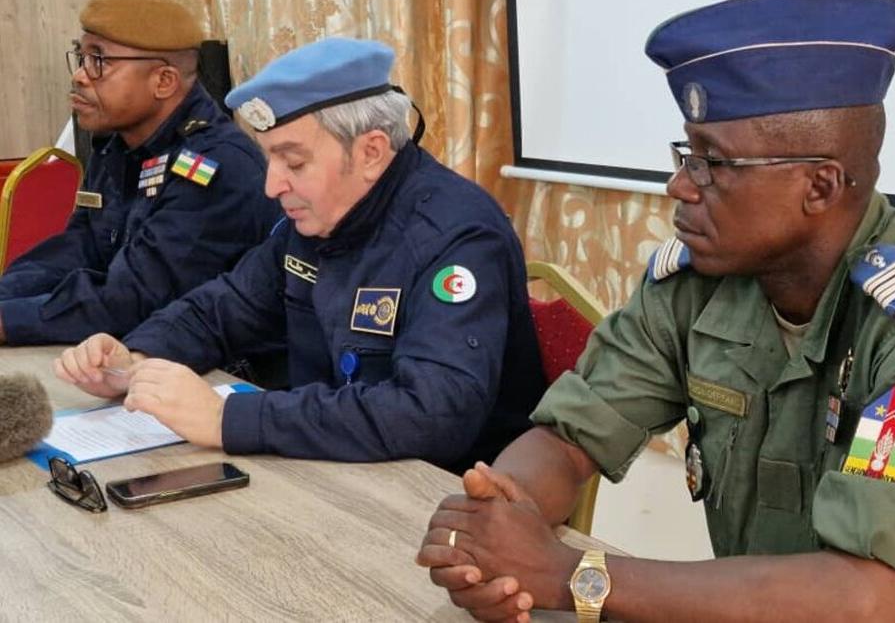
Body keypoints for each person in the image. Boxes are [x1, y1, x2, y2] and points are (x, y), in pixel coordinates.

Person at [416, 0, 895, 621]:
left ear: (820, 186)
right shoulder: (697, 282)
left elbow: (860, 596)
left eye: (714, 162)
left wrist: (572, 576)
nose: (680, 185)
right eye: (688, 155)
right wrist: (502, 522)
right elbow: (570, 436)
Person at [54, 37, 546, 474]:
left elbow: (432, 415)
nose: (272, 185)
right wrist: (136, 360)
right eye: (269, 157)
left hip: (439, 497)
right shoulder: (317, 217)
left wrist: (227, 419)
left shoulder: (458, 236)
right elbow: (223, 308)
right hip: (330, 469)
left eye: (293, 161)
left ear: (371, 152)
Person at [0, 0, 278, 346]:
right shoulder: (117, 146)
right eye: (81, 56)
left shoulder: (215, 167)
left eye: (99, 61)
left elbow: (133, 298)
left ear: (163, 81)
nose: (80, 75)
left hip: (221, 367)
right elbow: (78, 249)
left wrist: (9, 321)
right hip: (135, 348)